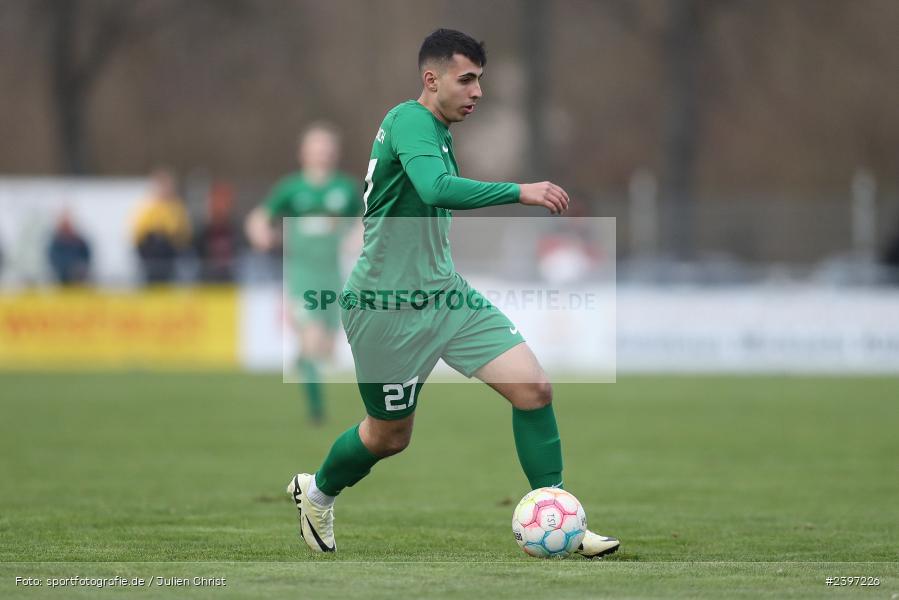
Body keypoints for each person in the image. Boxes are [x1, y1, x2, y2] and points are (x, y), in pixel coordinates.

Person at [286, 29, 620, 558]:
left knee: (533, 388)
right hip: (385, 311)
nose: (477, 91)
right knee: (388, 436)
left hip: (446, 298)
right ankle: (318, 494)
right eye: (466, 79)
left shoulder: (437, 129)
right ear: (431, 78)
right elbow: (437, 189)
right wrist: (521, 190)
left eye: (480, 80)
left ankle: (563, 521)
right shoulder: (411, 121)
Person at [245, 123, 362, 424]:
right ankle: (317, 414)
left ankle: (302, 360)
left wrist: (357, 236)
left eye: (327, 147)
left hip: (333, 278)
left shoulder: (345, 188)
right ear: (303, 153)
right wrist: (260, 233)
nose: (322, 152)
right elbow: (259, 218)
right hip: (301, 276)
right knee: (311, 339)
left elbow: (367, 219)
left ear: (335, 152)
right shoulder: (291, 188)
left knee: (325, 350)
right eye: (316, 146)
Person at [131, 169, 192, 284]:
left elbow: (183, 236)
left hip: (170, 262)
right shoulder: (146, 208)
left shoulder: (177, 208)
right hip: (150, 262)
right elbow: (137, 235)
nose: (165, 189)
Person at [195, 182, 240, 283]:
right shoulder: (202, 232)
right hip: (207, 283)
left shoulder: (235, 231)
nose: (221, 208)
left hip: (229, 282)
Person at [47, 210, 91, 285]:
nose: (67, 227)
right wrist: (67, 269)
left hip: (80, 281)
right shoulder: (56, 243)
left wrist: (81, 267)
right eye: (64, 225)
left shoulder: (79, 241)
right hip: (60, 281)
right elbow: (54, 261)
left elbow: (86, 257)